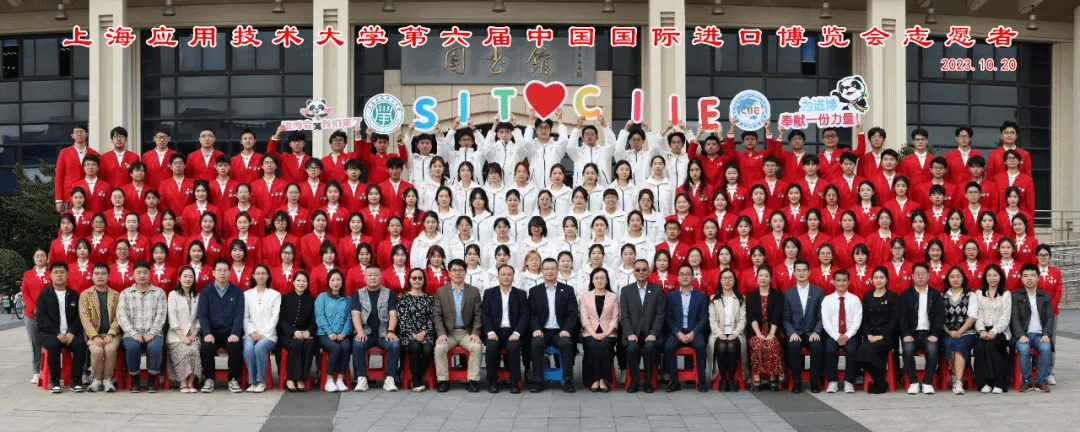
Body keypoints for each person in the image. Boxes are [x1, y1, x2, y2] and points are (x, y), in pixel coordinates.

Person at [528, 258, 579, 393]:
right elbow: (532, 314)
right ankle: (538, 381)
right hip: (542, 331)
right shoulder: (534, 291)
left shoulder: (567, 290)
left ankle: (567, 380)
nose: (549, 271)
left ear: (557, 270)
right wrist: (536, 329)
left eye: (552, 269)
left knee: (566, 343)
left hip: (560, 331)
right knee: (536, 343)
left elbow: (572, 314)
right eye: (546, 269)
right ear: (542, 271)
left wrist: (566, 329)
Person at [117, 261, 168, 393]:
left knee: (154, 347)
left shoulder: (159, 293)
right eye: (138, 272)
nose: (142, 275)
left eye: (145, 272)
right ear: (133, 275)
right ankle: (135, 378)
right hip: (132, 333)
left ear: (150, 274)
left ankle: (152, 378)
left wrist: (153, 332)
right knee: (132, 347)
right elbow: (122, 316)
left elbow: (161, 315)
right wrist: (134, 333)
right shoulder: (125, 294)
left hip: (154, 333)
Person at [432, 259, 483, 392]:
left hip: (467, 332)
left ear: (465, 273)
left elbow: (478, 315)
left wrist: (475, 333)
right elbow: (437, 316)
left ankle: (472, 380)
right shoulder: (441, 292)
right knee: (440, 348)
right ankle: (443, 380)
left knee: (476, 347)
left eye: (461, 270)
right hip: (449, 333)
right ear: (449, 273)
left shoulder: (473, 291)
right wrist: (441, 333)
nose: (457, 273)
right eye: (454, 270)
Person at [37, 262, 88, 393]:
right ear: (50, 275)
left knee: (81, 345)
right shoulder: (44, 295)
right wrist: (57, 333)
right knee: (53, 345)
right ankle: (55, 381)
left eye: (62, 272)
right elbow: (42, 320)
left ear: (67, 275)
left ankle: (75, 380)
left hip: (70, 333)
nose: (59, 275)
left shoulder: (74, 294)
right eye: (56, 272)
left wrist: (71, 332)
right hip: (49, 334)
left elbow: (79, 317)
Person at [197, 259, 245, 393]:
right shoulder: (206, 291)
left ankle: (233, 379)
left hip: (230, 332)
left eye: (225, 270)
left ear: (230, 272)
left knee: (235, 346)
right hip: (212, 332)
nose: (222, 273)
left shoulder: (237, 291)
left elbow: (239, 315)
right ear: (213, 273)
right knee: (206, 347)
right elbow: (202, 315)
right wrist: (207, 333)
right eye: (219, 270)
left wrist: (235, 332)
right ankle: (209, 378)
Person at [350, 266, 401, 391]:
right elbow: (355, 315)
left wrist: (391, 331)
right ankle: (361, 378)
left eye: (376, 275)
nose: (373, 277)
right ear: (364, 277)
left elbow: (393, 314)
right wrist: (360, 332)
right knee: (358, 343)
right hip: (366, 332)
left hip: (383, 333)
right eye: (369, 275)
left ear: (381, 277)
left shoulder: (389, 293)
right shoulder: (358, 294)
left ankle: (390, 378)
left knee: (394, 345)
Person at [619, 259, 665, 393]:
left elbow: (660, 315)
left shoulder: (657, 290)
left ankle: (648, 382)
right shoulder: (626, 290)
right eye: (638, 270)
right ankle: (634, 381)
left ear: (649, 271)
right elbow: (624, 315)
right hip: (633, 333)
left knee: (650, 347)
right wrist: (629, 333)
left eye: (644, 269)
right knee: (632, 347)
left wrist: (653, 333)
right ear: (633, 272)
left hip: (651, 333)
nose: (641, 272)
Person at [482, 264, 529, 393]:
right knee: (491, 347)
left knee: (513, 347)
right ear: (498, 277)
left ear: (513, 277)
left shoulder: (520, 294)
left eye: (509, 274)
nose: (506, 277)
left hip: (513, 331)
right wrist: (490, 332)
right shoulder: (489, 293)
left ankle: (514, 381)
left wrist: (517, 333)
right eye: (503, 274)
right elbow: (485, 315)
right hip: (495, 332)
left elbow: (524, 316)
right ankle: (492, 381)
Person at [899, 263, 945, 394]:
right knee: (907, 350)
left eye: (923, 274)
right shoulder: (906, 294)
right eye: (917, 274)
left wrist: (935, 333)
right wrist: (906, 334)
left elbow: (940, 316)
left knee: (933, 350)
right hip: (911, 334)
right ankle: (913, 382)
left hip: (929, 333)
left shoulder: (935, 295)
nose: (920, 277)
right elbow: (902, 317)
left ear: (928, 276)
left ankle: (927, 382)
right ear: (912, 276)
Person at [663, 265, 709, 392]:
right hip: (677, 332)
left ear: (692, 277)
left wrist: (693, 333)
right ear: (677, 277)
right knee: (668, 346)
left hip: (694, 331)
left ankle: (702, 381)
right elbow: (668, 318)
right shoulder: (671, 296)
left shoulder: (701, 295)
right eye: (682, 274)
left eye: (688, 274)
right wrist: (677, 333)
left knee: (701, 346)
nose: (685, 277)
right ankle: (674, 381)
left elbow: (704, 318)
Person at [782, 259, 825, 393]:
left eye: (804, 270)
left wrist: (817, 331)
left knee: (817, 345)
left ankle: (814, 383)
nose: (801, 273)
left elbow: (821, 317)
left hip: (812, 331)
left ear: (809, 272)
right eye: (798, 270)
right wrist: (792, 333)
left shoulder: (818, 292)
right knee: (793, 346)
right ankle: (796, 383)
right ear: (794, 273)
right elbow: (785, 319)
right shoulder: (788, 294)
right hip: (796, 332)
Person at [856, 266, 900, 394]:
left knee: (869, 349)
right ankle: (880, 379)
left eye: (881, 277)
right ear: (872, 280)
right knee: (860, 351)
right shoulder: (867, 296)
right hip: (871, 335)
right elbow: (865, 319)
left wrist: (882, 335)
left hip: (887, 337)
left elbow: (894, 320)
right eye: (876, 278)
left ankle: (879, 382)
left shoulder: (892, 297)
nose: (879, 280)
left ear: (887, 280)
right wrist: (868, 334)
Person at [1012, 264, 1054, 393]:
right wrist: (1020, 335)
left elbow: (1050, 318)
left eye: (1032, 275)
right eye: (1025, 276)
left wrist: (1046, 334)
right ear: (1021, 279)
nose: (1029, 278)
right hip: (1023, 335)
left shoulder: (1045, 296)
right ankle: (1027, 381)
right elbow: (1015, 318)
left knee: (1046, 349)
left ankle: (1040, 381)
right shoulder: (1016, 296)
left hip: (1040, 335)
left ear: (1038, 278)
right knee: (1024, 349)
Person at [78, 263, 120, 393]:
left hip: (112, 334)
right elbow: (84, 318)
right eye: (97, 274)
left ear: (109, 276)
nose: (100, 276)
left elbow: (119, 317)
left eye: (103, 274)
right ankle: (96, 379)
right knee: (97, 351)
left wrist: (111, 333)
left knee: (110, 349)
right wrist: (94, 336)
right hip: (93, 335)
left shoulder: (115, 295)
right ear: (92, 276)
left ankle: (107, 380)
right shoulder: (85, 295)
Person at [820, 270, 861, 394]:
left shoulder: (855, 300)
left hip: (850, 334)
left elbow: (857, 322)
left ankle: (849, 381)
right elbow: (826, 323)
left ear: (849, 282)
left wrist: (847, 336)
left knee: (852, 350)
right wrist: (837, 336)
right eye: (838, 280)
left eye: (844, 280)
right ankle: (833, 381)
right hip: (833, 334)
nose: (841, 283)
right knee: (829, 350)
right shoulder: (827, 300)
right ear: (834, 282)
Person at [580, 267, 619, 393]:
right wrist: (594, 334)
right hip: (589, 332)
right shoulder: (586, 296)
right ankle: (594, 380)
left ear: (607, 281)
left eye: (602, 278)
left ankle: (603, 380)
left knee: (604, 345)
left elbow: (614, 318)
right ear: (592, 280)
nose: (600, 281)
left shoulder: (613, 297)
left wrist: (606, 334)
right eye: (596, 278)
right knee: (593, 345)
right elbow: (584, 318)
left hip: (608, 333)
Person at [242, 265, 280, 392]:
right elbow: (244, 316)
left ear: (268, 276)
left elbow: (275, 317)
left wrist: (263, 334)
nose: (260, 276)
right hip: (250, 334)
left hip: (268, 335)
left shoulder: (275, 295)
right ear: (253, 276)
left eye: (263, 273)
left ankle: (261, 381)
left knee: (259, 347)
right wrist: (251, 332)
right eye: (257, 273)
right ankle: (252, 382)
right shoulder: (246, 294)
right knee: (248, 349)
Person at [746, 265, 785, 391]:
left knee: (772, 343)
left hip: (772, 330)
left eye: (766, 276)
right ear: (757, 278)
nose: (763, 278)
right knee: (758, 343)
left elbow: (776, 316)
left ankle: (773, 378)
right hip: (756, 331)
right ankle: (756, 378)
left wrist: (771, 334)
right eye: (761, 275)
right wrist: (758, 334)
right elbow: (751, 317)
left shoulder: (777, 294)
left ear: (771, 278)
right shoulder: (752, 295)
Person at [707, 268, 746, 392]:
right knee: (722, 345)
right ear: (720, 281)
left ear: (734, 281)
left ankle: (732, 379)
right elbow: (712, 320)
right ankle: (723, 379)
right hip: (718, 333)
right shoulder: (714, 299)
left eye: (730, 278)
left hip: (736, 333)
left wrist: (735, 333)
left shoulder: (740, 299)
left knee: (732, 345)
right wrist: (719, 333)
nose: (727, 281)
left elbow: (743, 320)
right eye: (724, 278)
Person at [973, 264, 1010, 393]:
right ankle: (985, 382)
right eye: (989, 275)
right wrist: (982, 330)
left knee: (992, 344)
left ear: (1000, 277)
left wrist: (994, 331)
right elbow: (977, 315)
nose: (992, 278)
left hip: (1000, 331)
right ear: (985, 277)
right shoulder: (979, 293)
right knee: (980, 345)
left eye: (995, 275)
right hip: (983, 329)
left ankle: (998, 383)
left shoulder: (1006, 294)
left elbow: (1005, 317)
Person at [397, 269, 436, 392]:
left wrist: (424, 332)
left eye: (420, 278)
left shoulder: (429, 298)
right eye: (414, 278)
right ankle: (416, 381)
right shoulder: (403, 297)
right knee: (415, 346)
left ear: (424, 280)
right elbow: (402, 318)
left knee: (428, 349)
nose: (417, 280)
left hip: (426, 333)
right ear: (409, 280)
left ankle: (416, 378)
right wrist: (412, 333)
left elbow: (432, 318)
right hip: (408, 334)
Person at [941, 266, 978, 395]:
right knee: (948, 343)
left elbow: (972, 317)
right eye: (952, 277)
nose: (955, 279)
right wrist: (949, 332)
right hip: (948, 333)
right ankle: (956, 375)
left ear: (963, 278)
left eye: (958, 276)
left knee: (958, 344)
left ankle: (958, 381)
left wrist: (960, 332)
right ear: (948, 279)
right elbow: (940, 318)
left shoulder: (970, 295)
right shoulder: (943, 296)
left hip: (967, 333)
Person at [278, 271, 317, 392]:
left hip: (305, 333)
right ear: (293, 282)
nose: (301, 283)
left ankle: (301, 379)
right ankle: (290, 378)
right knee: (297, 344)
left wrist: (308, 331)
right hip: (288, 334)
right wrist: (293, 332)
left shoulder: (312, 300)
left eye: (304, 281)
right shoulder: (285, 298)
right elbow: (281, 320)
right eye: (298, 280)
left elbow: (314, 321)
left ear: (307, 283)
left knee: (310, 344)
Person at [315, 269, 352, 392]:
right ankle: (329, 380)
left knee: (346, 347)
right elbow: (320, 316)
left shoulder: (347, 299)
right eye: (332, 280)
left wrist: (344, 333)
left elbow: (349, 318)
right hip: (324, 334)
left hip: (341, 334)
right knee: (336, 348)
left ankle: (340, 379)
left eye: (338, 280)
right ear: (328, 282)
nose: (335, 283)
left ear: (342, 281)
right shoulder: (322, 297)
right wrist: (329, 332)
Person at [168, 266, 202, 393]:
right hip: (176, 335)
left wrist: (194, 334)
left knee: (194, 350)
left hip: (193, 334)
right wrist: (182, 337)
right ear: (179, 278)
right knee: (183, 350)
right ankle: (183, 382)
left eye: (191, 276)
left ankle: (191, 383)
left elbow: (200, 317)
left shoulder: (198, 296)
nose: (188, 279)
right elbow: (172, 316)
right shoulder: (173, 295)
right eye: (185, 276)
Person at [22, 248, 50, 385]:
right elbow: (25, 292)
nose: (40, 258)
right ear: (33, 258)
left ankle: (49, 370)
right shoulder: (28, 274)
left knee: (49, 344)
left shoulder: (51, 273)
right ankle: (36, 371)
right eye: (37, 256)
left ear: (47, 258)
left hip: (48, 315)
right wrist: (33, 308)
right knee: (35, 344)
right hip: (31, 315)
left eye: (42, 256)